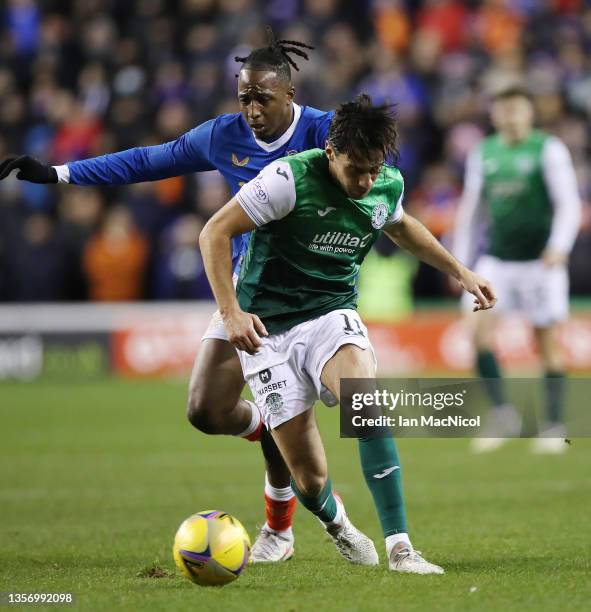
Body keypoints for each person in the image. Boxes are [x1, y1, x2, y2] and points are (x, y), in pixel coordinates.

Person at [199, 94, 496, 573]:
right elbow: (213, 232)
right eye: (356, 169)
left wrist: (461, 271)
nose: (366, 181)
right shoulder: (287, 179)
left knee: (365, 405)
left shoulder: (384, 183)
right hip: (266, 328)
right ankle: (338, 524)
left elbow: (400, 226)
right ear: (331, 152)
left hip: (330, 314)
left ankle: (402, 548)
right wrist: (230, 313)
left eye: (374, 169)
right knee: (311, 480)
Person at [452, 86, 582, 454]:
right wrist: (460, 263)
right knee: (477, 334)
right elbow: (472, 211)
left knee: (546, 343)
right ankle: (502, 414)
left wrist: (559, 246)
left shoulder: (548, 149)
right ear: (494, 115)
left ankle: (554, 425)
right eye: (503, 110)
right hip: (497, 261)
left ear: (529, 113)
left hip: (541, 262)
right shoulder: (484, 152)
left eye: (516, 109)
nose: (510, 116)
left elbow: (568, 203)